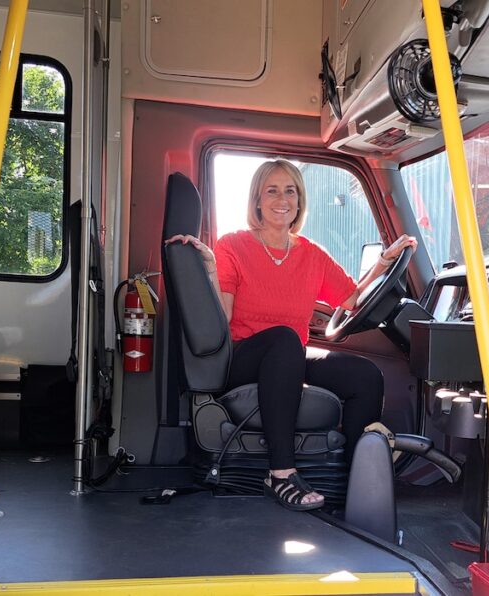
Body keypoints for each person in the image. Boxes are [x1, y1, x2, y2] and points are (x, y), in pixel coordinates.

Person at [166, 159, 416, 511]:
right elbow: (221, 319)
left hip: (288, 357)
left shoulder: (311, 254)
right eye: (272, 190)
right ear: (256, 200)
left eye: (291, 191)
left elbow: (352, 298)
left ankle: (354, 480)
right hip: (243, 357)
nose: (282, 199)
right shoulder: (233, 245)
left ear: (300, 201)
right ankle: (281, 473)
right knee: (285, 339)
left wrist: (383, 265)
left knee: (364, 375)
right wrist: (208, 269)